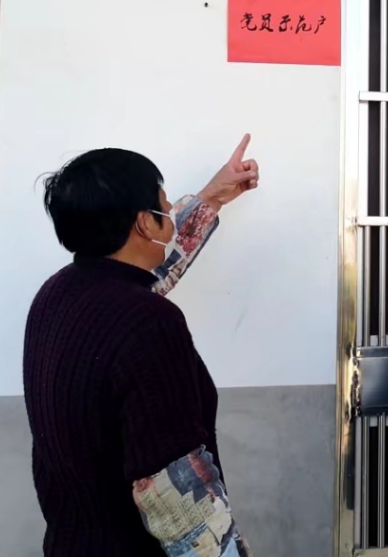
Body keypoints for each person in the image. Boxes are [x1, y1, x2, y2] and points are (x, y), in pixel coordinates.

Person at [23, 136, 260, 557]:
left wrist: (213, 197)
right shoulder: (151, 322)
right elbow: (179, 503)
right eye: (164, 209)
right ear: (144, 224)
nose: (170, 218)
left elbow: (142, 278)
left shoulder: (55, 295)